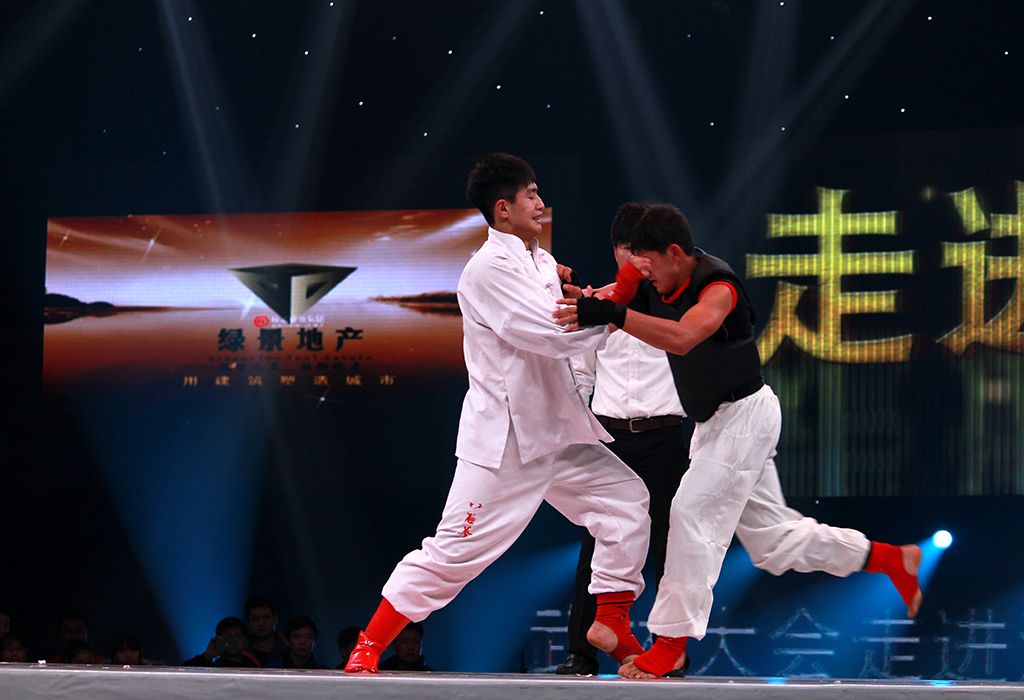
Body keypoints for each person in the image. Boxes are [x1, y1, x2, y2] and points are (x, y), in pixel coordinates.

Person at [557, 203, 923, 678]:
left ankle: (670, 643)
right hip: (714, 426)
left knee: (688, 513)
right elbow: (611, 302)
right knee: (773, 543)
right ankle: (889, 559)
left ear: (675, 253)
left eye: (649, 266)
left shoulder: (719, 287)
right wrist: (575, 297)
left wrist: (613, 313)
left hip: (746, 416)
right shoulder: (647, 275)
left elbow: (684, 337)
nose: (643, 276)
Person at [344, 153, 652, 674]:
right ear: (503, 208)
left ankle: (613, 620)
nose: (541, 203)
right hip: (507, 441)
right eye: (531, 195)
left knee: (626, 502)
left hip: (558, 430)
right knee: (454, 552)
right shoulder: (486, 270)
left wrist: (597, 303)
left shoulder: (541, 262)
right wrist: (617, 303)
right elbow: (552, 335)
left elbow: (569, 327)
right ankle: (369, 645)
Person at [556, 203, 691, 676]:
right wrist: (578, 434)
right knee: (597, 542)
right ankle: (581, 650)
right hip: (610, 437)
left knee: (671, 549)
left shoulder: (676, 307)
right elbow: (580, 374)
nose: (635, 260)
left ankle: (667, 651)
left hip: (665, 435)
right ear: (615, 251)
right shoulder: (593, 304)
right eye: (627, 249)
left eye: (642, 251)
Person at [182, 616, 261, 668]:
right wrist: (207, 655)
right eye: (228, 637)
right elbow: (181, 672)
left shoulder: (253, 665)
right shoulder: (214, 669)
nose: (233, 641)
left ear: (245, 642)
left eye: (238, 636)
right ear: (219, 640)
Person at [244, 596, 287, 667]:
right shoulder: (240, 654)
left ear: (275, 619)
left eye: (266, 617)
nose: (261, 623)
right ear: (248, 623)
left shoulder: (290, 648)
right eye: (255, 619)